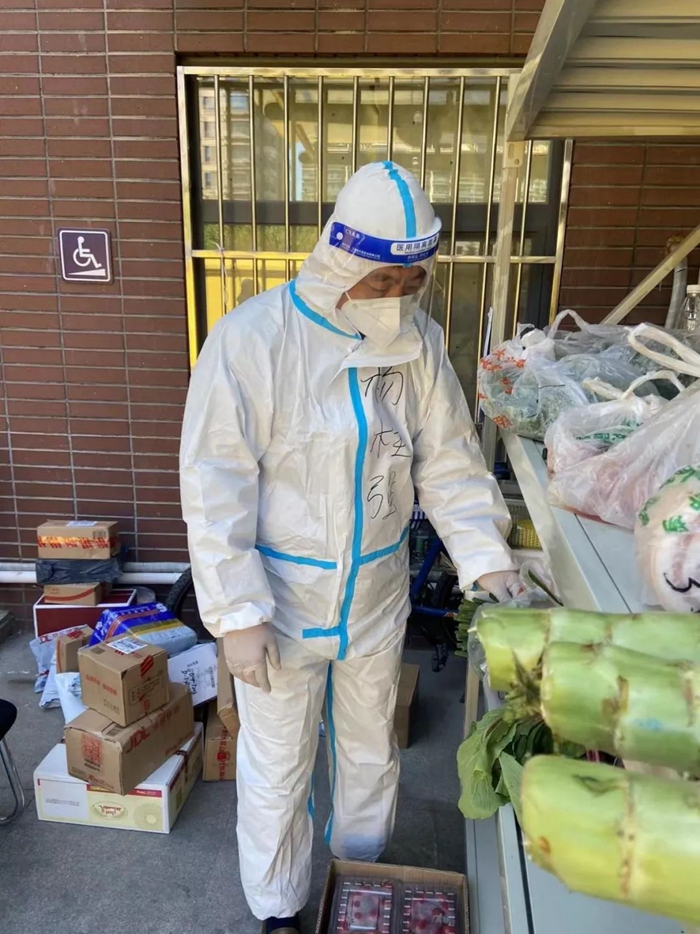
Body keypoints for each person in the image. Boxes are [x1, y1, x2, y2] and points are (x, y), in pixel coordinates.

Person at [180, 162, 520, 934]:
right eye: (381, 280)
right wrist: (236, 614)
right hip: (281, 602)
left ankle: (359, 883)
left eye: (412, 281)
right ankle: (278, 908)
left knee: (370, 753)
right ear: (341, 260)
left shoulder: (418, 343)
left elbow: (449, 459)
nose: (395, 297)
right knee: (277, 767)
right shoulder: (253, 340)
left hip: (374, 595)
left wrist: (487, 558)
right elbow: (214, 483)